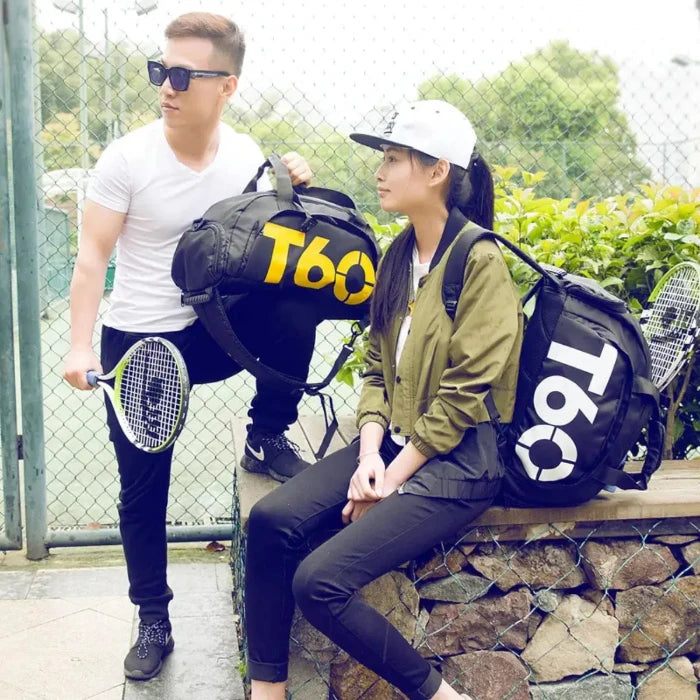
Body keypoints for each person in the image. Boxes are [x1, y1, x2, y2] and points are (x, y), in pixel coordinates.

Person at [63, 12, 320, 681]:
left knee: (296, 304)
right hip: (141, 337)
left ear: (225, 86)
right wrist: (79, 346)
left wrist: (294, 180)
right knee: (142, 486)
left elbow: (271, 239)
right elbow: (92, 258)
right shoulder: (127, 158)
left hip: (215, 330)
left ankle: (266, 434)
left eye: (181, 74)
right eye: (160, 71)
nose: (166, 86)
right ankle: (153, 616)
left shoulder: (244, 153)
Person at [243, 100, 524, 700]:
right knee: (269, 521)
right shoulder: (399, 255)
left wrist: (389, 479)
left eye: (394, 158)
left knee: (320, 581)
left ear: (436, 170)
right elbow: (377, 371)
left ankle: (440, 695)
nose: (380, 170)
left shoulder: (480, 263)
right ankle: (267, 689)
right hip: (393, 443)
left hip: (459, 464)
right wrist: (369, 454)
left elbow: (463, 396)